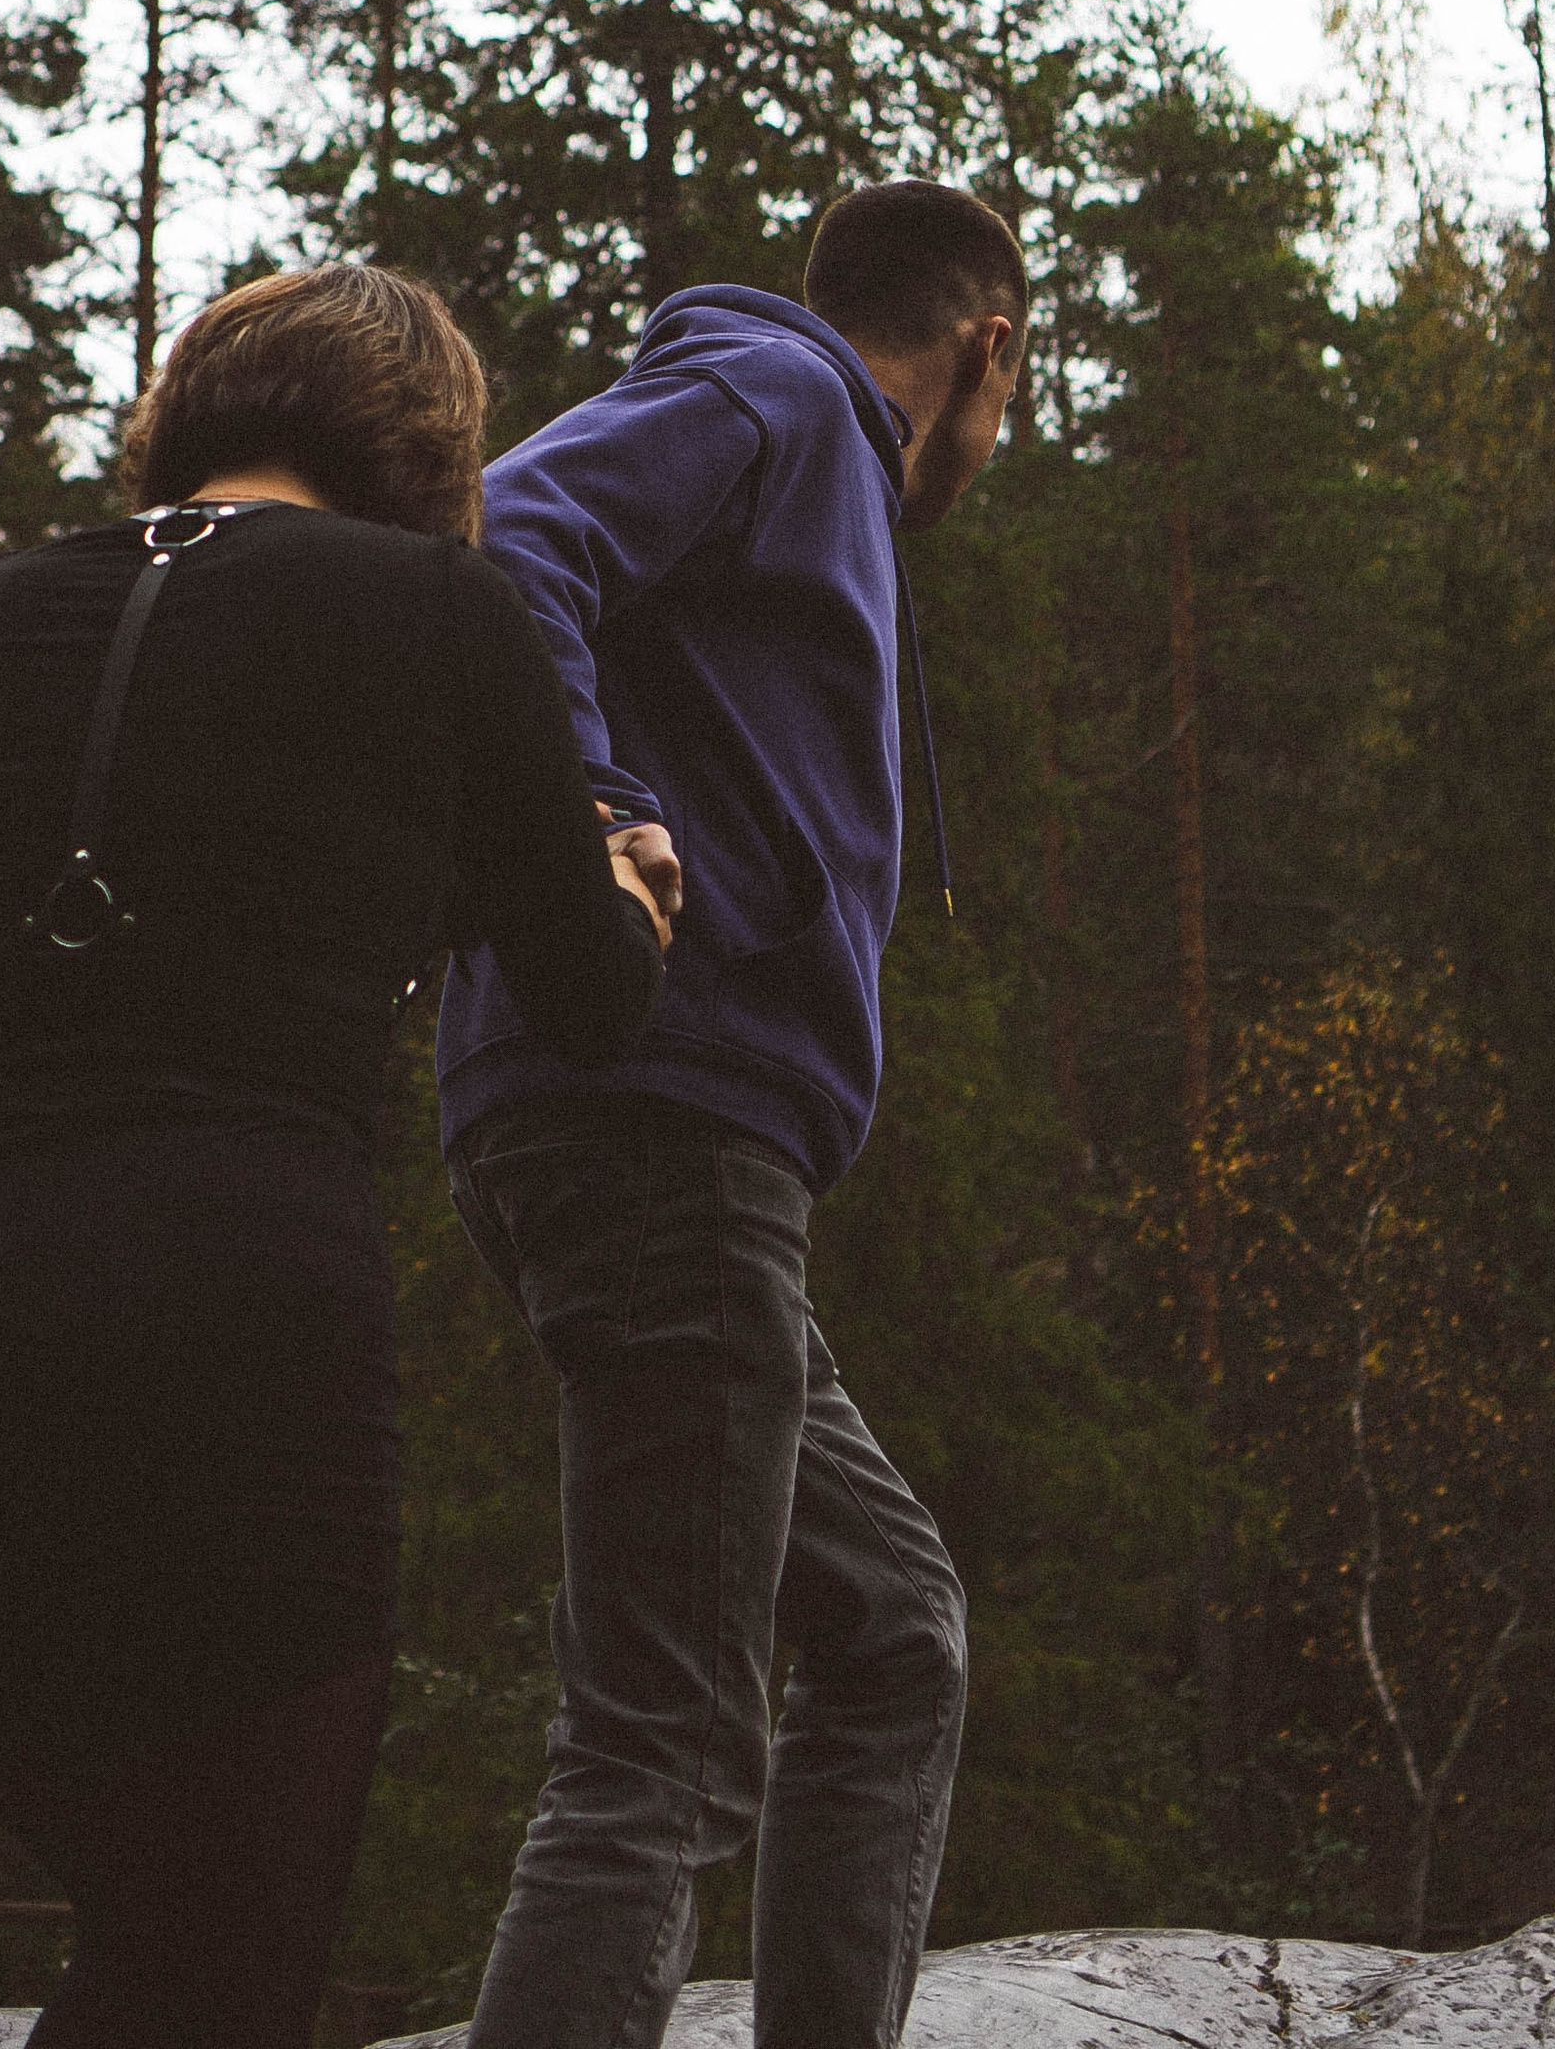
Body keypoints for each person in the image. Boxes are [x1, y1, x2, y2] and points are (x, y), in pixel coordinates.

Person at [0, 264, 677, 2049]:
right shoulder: (439, 605)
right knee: (227, 1964)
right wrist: (630, 890)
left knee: (154, 1947)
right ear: (429, 445)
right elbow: (589, 997)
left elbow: (195, 876)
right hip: (229, 1326)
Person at [437, 178, 1029, 2049]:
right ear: (990, 349)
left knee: (895, 1630)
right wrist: (598, 808)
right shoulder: (777, 396)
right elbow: (511, 532)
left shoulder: (803, 449)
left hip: (679, 1142)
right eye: (1013, 393)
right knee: (665, 1740)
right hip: (658, 1117)